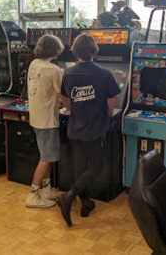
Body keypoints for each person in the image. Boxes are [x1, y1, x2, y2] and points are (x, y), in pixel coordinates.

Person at [56, 34, 120, 226]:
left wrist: (74, 107)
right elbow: (111, 103)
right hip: (95, 128)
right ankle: (69, 196)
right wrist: (108, 113)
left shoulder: (68, 73)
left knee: (81, 165)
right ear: (94, 51)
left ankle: (85, 204)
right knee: (97, 166)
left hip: (75, 127)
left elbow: (64, 98)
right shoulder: (104, 73)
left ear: (75, 51)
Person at [26, 34, 64, 208]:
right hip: (48, 120)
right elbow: (62, 95)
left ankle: (47, 189)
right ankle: (33, 195)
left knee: (45, 155)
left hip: (36, 116)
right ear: (55, 50)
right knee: (47, 157)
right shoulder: (54, 69)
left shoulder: (34, 64)